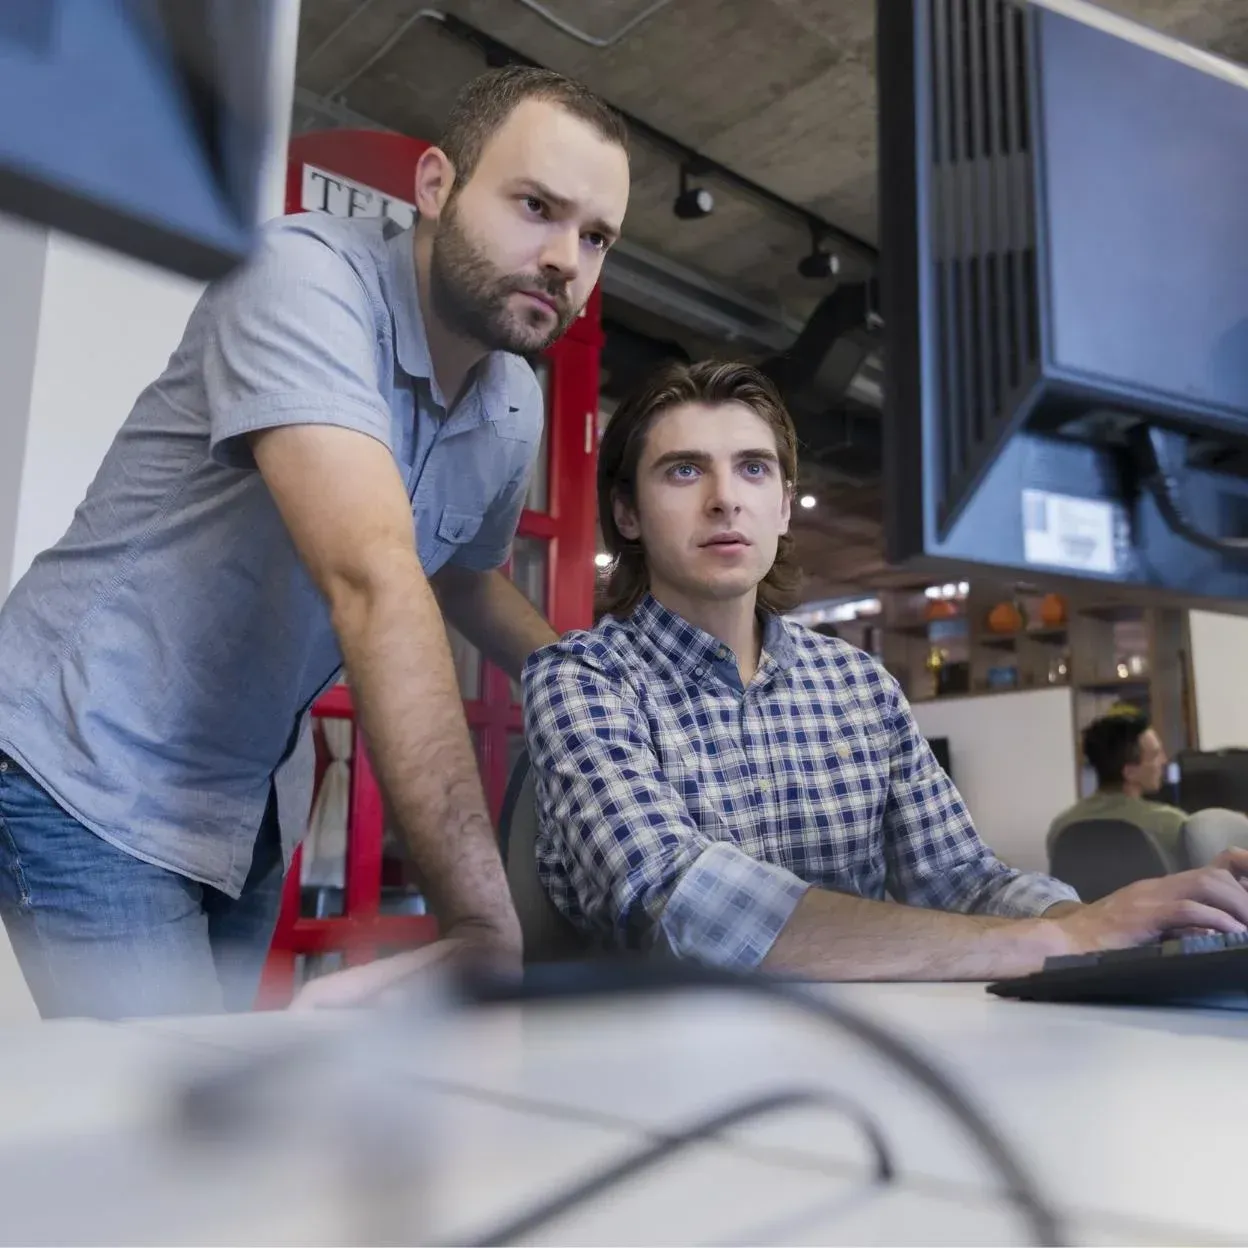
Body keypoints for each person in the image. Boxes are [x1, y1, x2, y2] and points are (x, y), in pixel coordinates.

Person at [0, 65, 631, 1018]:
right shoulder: (299, 277)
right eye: (535, 206)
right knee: (169, 1101)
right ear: (436, 186)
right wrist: (478, 917)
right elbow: (376, 576)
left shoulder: (513, 405)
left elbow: (464, 578)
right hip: (91, 762)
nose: (564, 261)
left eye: (595, 237)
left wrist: (584, 684)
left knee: (219, 1087)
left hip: (249, 803)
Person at [522, 361, 1248, 979]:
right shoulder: (581, 679)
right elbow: (678, 903)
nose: (725, 498)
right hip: (662, 1068)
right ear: (627, 513)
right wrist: (1052, 941)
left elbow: (960, 878)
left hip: (873, 1055)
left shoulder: (859, 686)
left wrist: (1101, 926)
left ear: (783, 508)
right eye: (684, 470)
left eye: (754, 468)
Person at [1046, 712, 1188, 867]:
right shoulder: (1172, 824)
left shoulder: (1061, 826)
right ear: (1130, 772)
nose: (1164, 761)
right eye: (1155, 755)